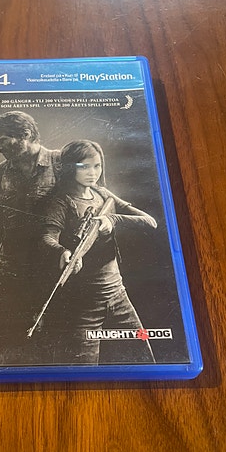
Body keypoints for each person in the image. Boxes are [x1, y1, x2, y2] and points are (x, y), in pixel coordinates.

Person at [38, 139, 157, 365]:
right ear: (69, 167)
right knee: (84, 367)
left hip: (117, 293)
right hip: (84, 302)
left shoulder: (101, 193)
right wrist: (61, 251)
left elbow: (150, 222)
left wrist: (112, 219)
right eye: (84, 166)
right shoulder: (61, 202)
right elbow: (47, 237)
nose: (92, 173)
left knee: (144, 358)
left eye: (97, 166)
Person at [0, 111, 60, 361]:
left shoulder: (60, 163)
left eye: (3, 140)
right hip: (12, 277)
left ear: (25, 135)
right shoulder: (0, 174)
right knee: (10, 348)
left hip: (56, 276)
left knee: (53, 350)